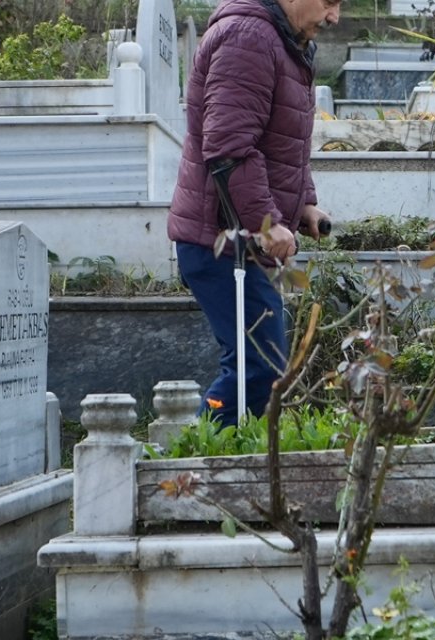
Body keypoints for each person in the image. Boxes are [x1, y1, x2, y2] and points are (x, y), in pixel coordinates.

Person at [167, 0, 337, 426]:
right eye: (330, 1)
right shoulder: (249, 38)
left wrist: (305, 205)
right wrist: (268, 222)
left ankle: (226, 464)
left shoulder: (282, 41)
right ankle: (192, 464)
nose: (335, 17)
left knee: (260, 366)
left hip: (241, 237)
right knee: (258, 367)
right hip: (221, 240)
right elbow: (229, 149)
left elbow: (282, 144)